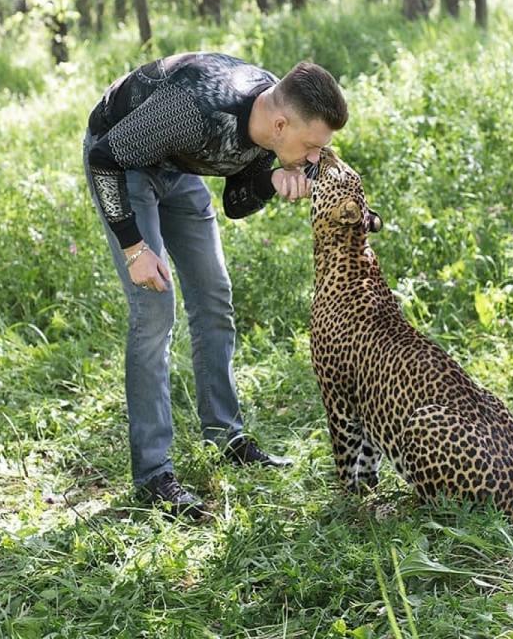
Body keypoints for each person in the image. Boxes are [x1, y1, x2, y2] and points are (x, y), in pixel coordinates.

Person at [82, 52, 348, 518]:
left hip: (177, 168)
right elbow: (104, 159)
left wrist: (271, 181)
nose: (314, 161)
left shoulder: (270, 118)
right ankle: (153, 476)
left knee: (213, 298)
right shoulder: (196, 106)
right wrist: (135, 249)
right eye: (311, 148)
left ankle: (226, 437)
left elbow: (236, 202)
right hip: (123, 163)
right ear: (282, 125)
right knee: (153, 313)